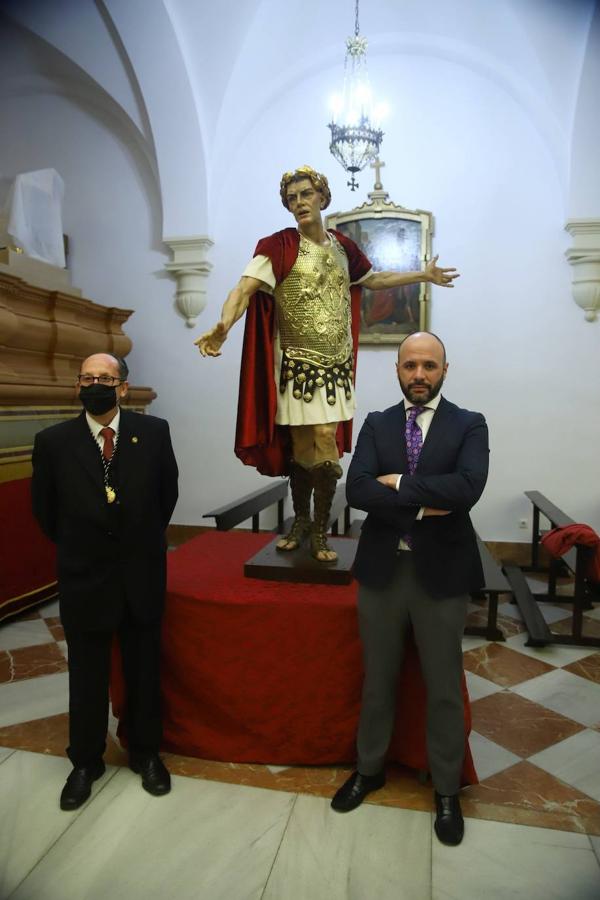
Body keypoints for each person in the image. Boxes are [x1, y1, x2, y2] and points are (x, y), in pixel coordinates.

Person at [196, 166, 459, 561]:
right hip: (297, 370)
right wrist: (223, 325)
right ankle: (302, 522)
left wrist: (422, 273)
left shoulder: (343, 249)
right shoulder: (279, 247)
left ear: (322, 197)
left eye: (306, 194)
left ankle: (319, 530)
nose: (299, 202)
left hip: (335, 369)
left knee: (324, 444)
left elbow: (373, 279)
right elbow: (244, 288)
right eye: (292, 198)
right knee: (303, 449)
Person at [330, 332, 489, 846]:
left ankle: (446, 789)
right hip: (382, 571)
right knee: (377, 678)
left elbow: (468, 488)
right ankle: (369, 769)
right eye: (410, 366)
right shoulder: (376, 424)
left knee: (442, 685)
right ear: (397, 369)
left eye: (429, 366)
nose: (419, 375)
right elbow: (356, 490)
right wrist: (424, 501)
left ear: (445, 369)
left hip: (440, 574)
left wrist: (395, 485)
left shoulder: (469, 424)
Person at [31, 353, 179, 810]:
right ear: (78, 386)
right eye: (88, 378)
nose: (96, 384)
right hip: (84, 576)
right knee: (87, 674)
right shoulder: (53, 441)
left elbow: (166, 496)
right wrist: (86, 546)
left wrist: (135, 541)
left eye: (106, 378)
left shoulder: (153, 433)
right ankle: (85, 761)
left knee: (143, 669)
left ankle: (146, 753)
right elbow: (46, 511)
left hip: (141, 572)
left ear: (123, 387)